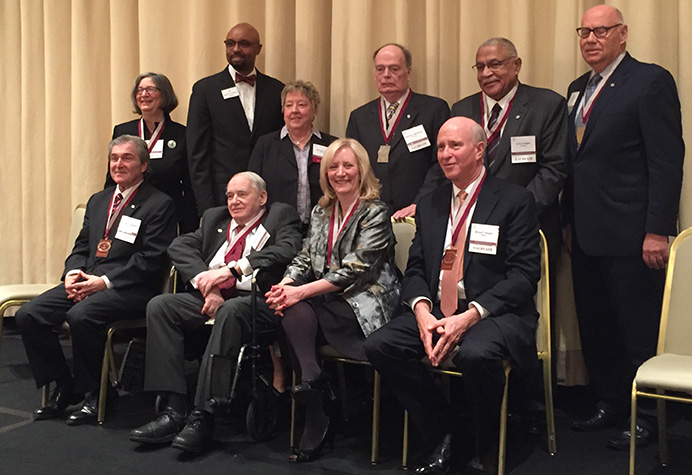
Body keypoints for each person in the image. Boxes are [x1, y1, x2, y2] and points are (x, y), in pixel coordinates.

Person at [365, 117, 541, 475]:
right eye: (441, 147)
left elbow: (524, 276)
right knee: (380, 345)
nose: (445, 154)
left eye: (454, 146)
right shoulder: (431, 203)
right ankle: (443, 428)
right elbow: (415, 269)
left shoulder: (514, 200)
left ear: (480, 150)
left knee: (476, 354)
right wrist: (422, 312)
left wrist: (470, 315)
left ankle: (485, 444)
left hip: (493, 313)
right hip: (438, 311)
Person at [564, 5, 684, 450]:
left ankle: (649, 416)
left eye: (601, 31)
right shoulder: (577, 89)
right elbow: (574, 165)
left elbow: (667, 162)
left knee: (638, 330)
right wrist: (567, 222)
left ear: (623, 35)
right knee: (597, 327)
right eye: (585, 32)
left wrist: (658, 229)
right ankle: (610, 403)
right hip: (585, 234)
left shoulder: (650, 81)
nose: (591, 39)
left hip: (633, 235)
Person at [129, 172, 302, 454]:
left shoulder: (280, 216)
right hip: (213, 296)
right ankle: (173, 410)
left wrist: (234, 269)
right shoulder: (214, 218)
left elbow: (287, 248)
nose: (233, 201)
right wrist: (208, 287)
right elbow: (179, 245)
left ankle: (203, 416)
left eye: (241, 195)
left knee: (231, 311)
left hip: (257, 301)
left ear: (262, 197)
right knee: (161, 306)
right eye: (230, 195)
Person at [15, 135, 177, 425]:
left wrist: (103, 282)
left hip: (130, 288)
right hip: (86, 279)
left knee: (82, 316)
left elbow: (150, 260)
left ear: (143, 164)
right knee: (29, 315)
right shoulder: (99, 200)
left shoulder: (159, 204)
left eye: (126, 158)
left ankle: (96, 394)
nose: (118, 164)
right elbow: (81, 245)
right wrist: (73, 273)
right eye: (114, 158)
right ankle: (65, 386)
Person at [265, 138, 401, 463]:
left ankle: (315, 406)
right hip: (326, 299)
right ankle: (315, 392)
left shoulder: (376, 212)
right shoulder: (321, 211)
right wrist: (286, 285)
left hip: (366, 300)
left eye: (348, 166)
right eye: (333, 167)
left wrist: (299, 292)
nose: (340, 173)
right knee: (290, 309)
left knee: (296, 311)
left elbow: (356, 269)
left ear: (361, 171)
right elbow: (304, 257)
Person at [451, 38, 568, 269]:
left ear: (516, 65)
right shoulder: (462, 110)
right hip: (474, 233)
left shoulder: (547, 105)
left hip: (530, 229)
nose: (486, 73)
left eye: (495, 64)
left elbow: (554, 169)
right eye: (480, 66)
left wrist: (515, 214)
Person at [187, 22, 284, 216]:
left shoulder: (276, 90)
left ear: (259, 49)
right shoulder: (205, 90)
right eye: (230, 43)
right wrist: (207, 209)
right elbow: (197, 154)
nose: (236, 49)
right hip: (221, 197)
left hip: (267, 197)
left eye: (244, 44)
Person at [346, 43, 450, 218]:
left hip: (423, 210)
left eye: (394, 69)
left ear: (408, 72)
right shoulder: (359, 117)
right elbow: (353, 167)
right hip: (371, 215)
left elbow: (442, 163)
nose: (386, 75)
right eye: (380, 69)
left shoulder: (433, 109)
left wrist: (420, 202)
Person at [106, 72, 198, 233]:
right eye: (140, 90)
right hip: (129, 211)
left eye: (150, 89)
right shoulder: (123, 131)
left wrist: (189, 228)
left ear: (165, 94)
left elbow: (189, 185)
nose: (144, 94)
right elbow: (112, 179)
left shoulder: (181, 134)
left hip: (167, 214)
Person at [248, 80, 338, 229]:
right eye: (289, 105)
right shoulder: (266, 144)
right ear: (283, 111)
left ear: (314, 110)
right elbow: (253, 187)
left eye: (301, 105)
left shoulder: (330, 145)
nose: (294, 110)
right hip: (276, 227)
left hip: (323, 227)